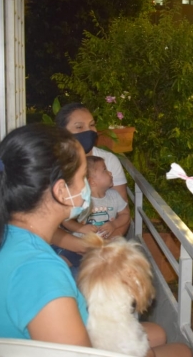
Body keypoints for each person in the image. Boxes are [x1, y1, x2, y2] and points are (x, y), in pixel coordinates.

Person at [0, 124, 191, 357]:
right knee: (181, 351)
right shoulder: (40, 271)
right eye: (83, 177)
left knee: (156, 333)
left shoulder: (3, 235)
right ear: (61, 191)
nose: (87, 188)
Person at [50, 103, 130, 264]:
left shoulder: (108, 161)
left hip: (105, 247)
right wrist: (82, 246)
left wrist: (107, 245)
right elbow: (47, 222)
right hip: (66, 245)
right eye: (79, 127)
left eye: (92, 125)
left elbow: (123, 213)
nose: (88, 131)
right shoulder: (52, 164)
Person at [84, 155, 130, 239]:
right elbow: (67, 221)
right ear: (92, 182)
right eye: (104, 170)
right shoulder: (81, 200)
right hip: (83, 246)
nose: (110, 172)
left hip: (107, 245)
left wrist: (114, 224)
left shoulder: (114, 195)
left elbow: (125, 214)